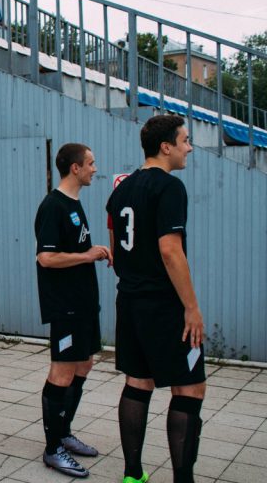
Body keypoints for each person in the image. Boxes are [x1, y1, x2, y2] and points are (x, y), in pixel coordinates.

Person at [106, 115, 205, 483]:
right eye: (185, 141)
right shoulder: (169, 187)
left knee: (138, 381)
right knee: (190, 388)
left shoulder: (122, 189)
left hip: (129, 300)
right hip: (163, 304)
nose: (189, 148)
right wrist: (191, 308)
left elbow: (115, 250)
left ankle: (133, 474)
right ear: (166, 147)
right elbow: (170, 251)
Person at [34, 143, 112, 478]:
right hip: (64, 305)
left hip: (83, 303)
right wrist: (87, 255)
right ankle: (53, 449)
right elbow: (46, 258)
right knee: (62, 372)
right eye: (91, 163)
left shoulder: (74, 203)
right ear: (75, 168)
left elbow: (75, 248)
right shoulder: (53, 206)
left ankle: (63, 432)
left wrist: (92, 251)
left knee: (84, 363)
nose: (95, 168)